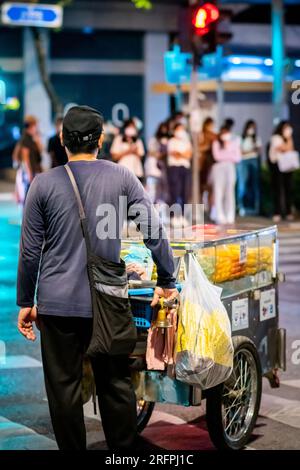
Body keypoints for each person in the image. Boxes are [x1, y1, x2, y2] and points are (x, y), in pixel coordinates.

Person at [16, 105, 178, 451]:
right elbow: (153, 230)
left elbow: (30, 251)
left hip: (56, 305)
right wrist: (167, 278)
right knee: (115, 385)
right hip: (108, 301)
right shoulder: (121, 177)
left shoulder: (43, 185)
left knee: (64, 390)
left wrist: (26, 302)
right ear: (101, 141)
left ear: (62, 139)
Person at [211, 125, 241, 224]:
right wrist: (229, 154)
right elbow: (217, 156)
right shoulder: (216, 143)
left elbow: (237, 158)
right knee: (218, 191)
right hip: (219, 168)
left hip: (230, 167)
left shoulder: (234, 143)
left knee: (230, 191)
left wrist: (227, 153)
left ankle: (230, 214)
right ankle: (219, 214)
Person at [268, 120, 297, 222]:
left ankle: (288, 212)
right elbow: (284, 148)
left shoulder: (288, 138)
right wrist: (288, 139)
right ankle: (277, 212)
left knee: (288, 189)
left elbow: (291, 148)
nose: (288, 130)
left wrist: (289, 138)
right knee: (278, 189)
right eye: (285, 128)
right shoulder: (276, 138)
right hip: (277, 166)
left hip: (287, 167)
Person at [167, 122, 192, 226]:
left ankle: (182, 215)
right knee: (175, 192)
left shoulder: (187, 142)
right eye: (179, 129)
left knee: (184, 192)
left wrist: (181, 154)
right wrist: (182, 154)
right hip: (174, 168)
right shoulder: (172, 141)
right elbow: (174, 154)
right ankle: (173, 216)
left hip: (185, 168)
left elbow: (188, 154)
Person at [14, 115, 43, 205]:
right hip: (29, 173)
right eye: (35, 125)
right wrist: (29, 173)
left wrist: (38, 140)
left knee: (32, 197)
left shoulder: (31, 138)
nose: (36, 127)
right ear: (31, 125)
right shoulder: (26, 139)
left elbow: (41, 150)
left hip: (34, 171)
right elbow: (25, 158)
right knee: (28, 197)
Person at [110, 119, 145, 183]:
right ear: (125, 128)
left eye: (133, 127)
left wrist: (135, 151)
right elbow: (114, 157)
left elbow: (141, 156)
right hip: (123, 171)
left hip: (136, 172)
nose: (131, 129)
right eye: (129, 127)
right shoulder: (119, 139)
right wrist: (128, 151)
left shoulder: (138, 140)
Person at [239, 120, 262, 216]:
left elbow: (259, 151)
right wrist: (251, 151)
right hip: (244, 161)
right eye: (250, 127)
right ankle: (242, 207)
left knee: (255, 185)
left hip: (254, 161)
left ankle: (256, 208)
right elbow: (241, 152)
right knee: (243, 185)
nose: (252, 129)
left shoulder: (256, 138)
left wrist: (249, 151)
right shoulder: (242, 138)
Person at [145, 121, 169, 203]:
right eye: (162, 129)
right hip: (153, 169)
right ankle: (149, 210)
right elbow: (151, 152)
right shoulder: (153, 140)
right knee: (151, 190)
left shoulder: (167, 141)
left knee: (162, 192)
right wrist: (161, 154)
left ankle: (160, 211)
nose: (164, 131)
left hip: (163, 170)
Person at [198, 117, 217, 209]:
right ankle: (202, 207)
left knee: (211, 187)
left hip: (212, 163)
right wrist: (207, 146)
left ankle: (210, 208)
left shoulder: (215, 136)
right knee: (201, 187)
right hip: (203, 164)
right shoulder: (201, 135)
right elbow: (198, 147)